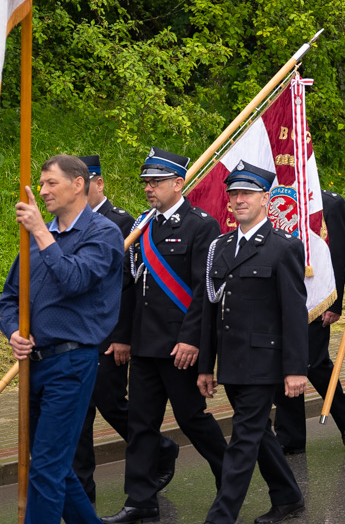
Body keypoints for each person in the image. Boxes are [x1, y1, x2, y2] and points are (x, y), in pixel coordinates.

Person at [102, 148, 226, 524]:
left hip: (178, 346)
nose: (148, 189)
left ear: (178, 182)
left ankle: (228, 478)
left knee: (192, 418)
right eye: (145, 183)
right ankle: (140, 500)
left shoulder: (201, 225)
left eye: (155, 182)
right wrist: (123, 336)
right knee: (140, 424)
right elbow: (129, 284)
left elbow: (204, 289)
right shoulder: (142, 224)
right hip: (143, 343)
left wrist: (191, 339)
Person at [0, 155, 123, 523]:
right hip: (32, 366)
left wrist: (41, 231)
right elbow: (9, 300)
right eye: (41, 183)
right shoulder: (35, 239)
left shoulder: (103, 233)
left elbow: (76, 280)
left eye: (51, 183)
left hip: (71, 363)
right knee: (54, 467)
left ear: (78, 184)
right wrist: (13, 332)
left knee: (46, 470)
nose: (42, 191)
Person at [197, 161, 308, 524]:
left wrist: (295, 369)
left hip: (264, 362)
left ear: (265, 198)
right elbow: (210, 311)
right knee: (258, 433)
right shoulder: (220, 246)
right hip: (231, 361)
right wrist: (205, 366)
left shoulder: (282, 248)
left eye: (247, 193)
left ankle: (220, 516)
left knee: (243, 439)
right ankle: (289, 497)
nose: (239, 199)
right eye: (234, 194)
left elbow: (293, 313)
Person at [72, 155, 178, 503]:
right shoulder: (66, 224)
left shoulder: (121, 223)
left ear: (98, 184)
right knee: (79, 415)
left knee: (111, 402)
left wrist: (122, 337)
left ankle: (159, 447)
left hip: (107, 334)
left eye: (82, 183)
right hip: (75, 336)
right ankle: (83, 494)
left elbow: (129, 285)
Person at [273, 189, 345, 453]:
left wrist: (333, 304)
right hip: (280, 298)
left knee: (315, 364)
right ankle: (290, 438)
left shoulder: (329, 202)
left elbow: (339, 254)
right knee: (281, 366)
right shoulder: (273, 195)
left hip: (316, 298)